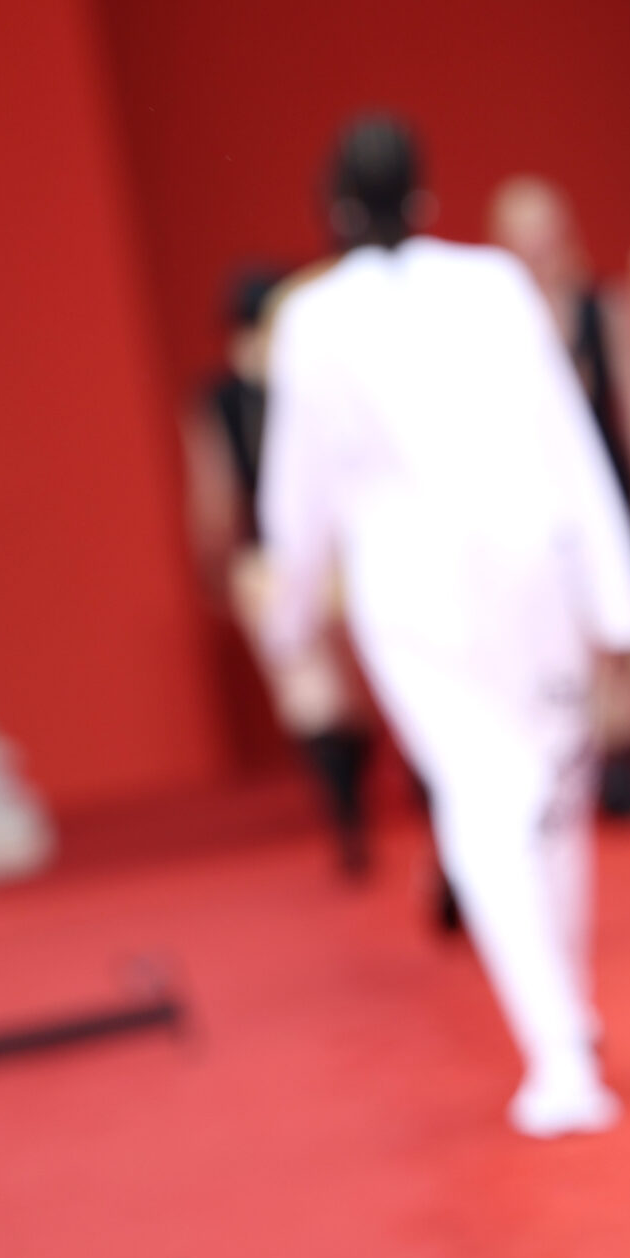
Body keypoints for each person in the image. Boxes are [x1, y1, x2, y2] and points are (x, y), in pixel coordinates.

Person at [260, 115, 630, 1136]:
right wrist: (615, 594)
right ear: (427, 196)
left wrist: (292, 616)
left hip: (415, 592)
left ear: (334, 211)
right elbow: (569, 438)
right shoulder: (491, 284)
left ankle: (559, 1037)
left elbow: (295, 492)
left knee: (489, 799)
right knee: (543, 795)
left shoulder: (315, 319)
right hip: (532, 570)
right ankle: (562, 1027)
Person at [179, 265, 377, 875]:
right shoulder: (317, 381)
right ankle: (367, 781)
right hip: (341, 550)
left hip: (267, 560)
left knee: (308, 691)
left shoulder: (217, 400)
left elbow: (213, 498)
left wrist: (217, 563)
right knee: (359, 685)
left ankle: (345, 809)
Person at [488, 175, 630, 819]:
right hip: (539, 498)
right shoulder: (495, 330)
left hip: (609, 482)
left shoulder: (604, 311)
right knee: (575, 629)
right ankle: (605, 744)